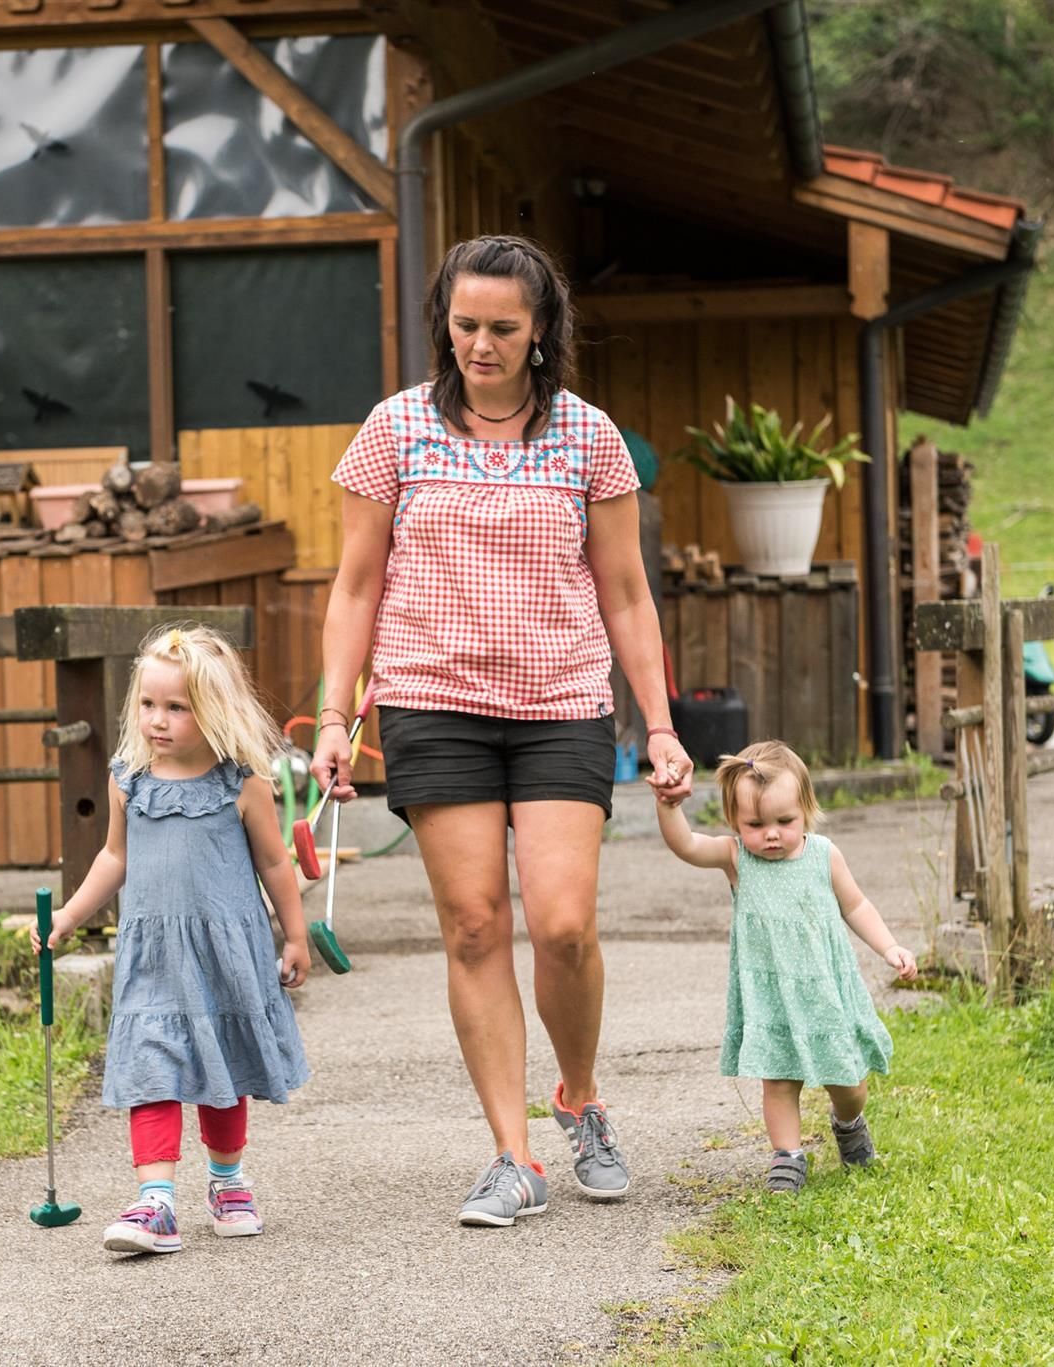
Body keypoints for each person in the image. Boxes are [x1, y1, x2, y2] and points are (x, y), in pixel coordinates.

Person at [312, 234, 693, 1228]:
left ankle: (577, 1095)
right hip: (431, 700)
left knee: (562, 923)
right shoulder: (393, 431)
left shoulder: (585, 437)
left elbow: (624, 592)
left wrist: (658, 724)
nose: (479, 345)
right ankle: (511, 1153)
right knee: (474, 923)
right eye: (464, 324)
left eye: (501, 329)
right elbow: (355, 585)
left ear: (540, 332)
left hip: (560, 700)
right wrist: (330, 711)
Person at [29, 624, 310, 1255]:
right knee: (152, 1067)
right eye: (149, 705)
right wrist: (68, 917)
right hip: (153, 955)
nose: (158, 720)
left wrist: (294, 937)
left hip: (223, 956)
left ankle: (227, 1179)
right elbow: (113, 857)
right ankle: (155, 1203)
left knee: (222, 1065)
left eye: (176, 707)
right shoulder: (130, 779)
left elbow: (273, 864)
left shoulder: (241, 783)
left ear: (211, 709)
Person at [654, 741, 916, 1192]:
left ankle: (848, 1123)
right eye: (755, 824)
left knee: (849, 1082)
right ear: (735, 821)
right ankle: (788, 1156)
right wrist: (669, 805)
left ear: (807, 811)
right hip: (772, 996)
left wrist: (889, 947)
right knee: (778, 1081)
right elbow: (686, 845)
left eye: (784, 822)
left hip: (825, 991)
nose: (770, 834)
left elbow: (856, 906)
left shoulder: (823, 856)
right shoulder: (738, 858)